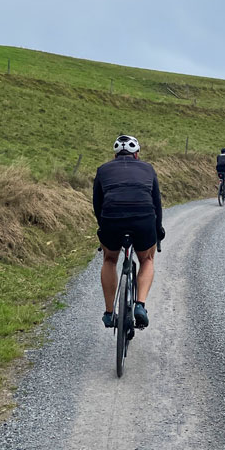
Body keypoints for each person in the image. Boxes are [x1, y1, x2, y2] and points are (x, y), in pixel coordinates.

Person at [93, 134, 165, 330]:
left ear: (115, 155)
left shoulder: (103, 170)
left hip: (111, 219)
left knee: (109, 260)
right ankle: (140, 305)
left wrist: (103, 228)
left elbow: (97, 204)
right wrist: (158, 231)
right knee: (147, 260)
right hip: (143, 218)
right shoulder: (148, 169)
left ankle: (109, 313)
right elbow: (156, 204)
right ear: (137, 154)